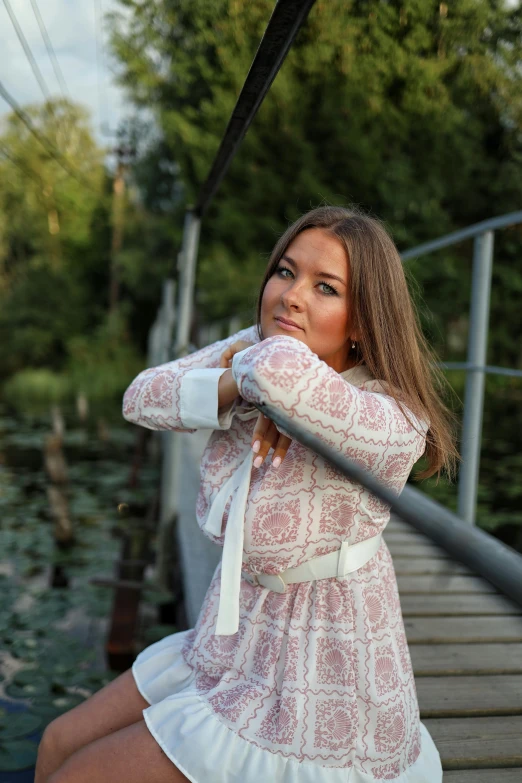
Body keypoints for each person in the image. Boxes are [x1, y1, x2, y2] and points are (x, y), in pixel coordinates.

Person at [35, 206, 458, 782]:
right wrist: (239, 385)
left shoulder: (391, 418)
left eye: (325, 287)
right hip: (235, 635)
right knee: (57, 743)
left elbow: (283, 375)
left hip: (320, 668)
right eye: (285, 272)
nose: (291, 296)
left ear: (363, 322)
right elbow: (141, 397)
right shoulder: (259, 351)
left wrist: (253, 372)